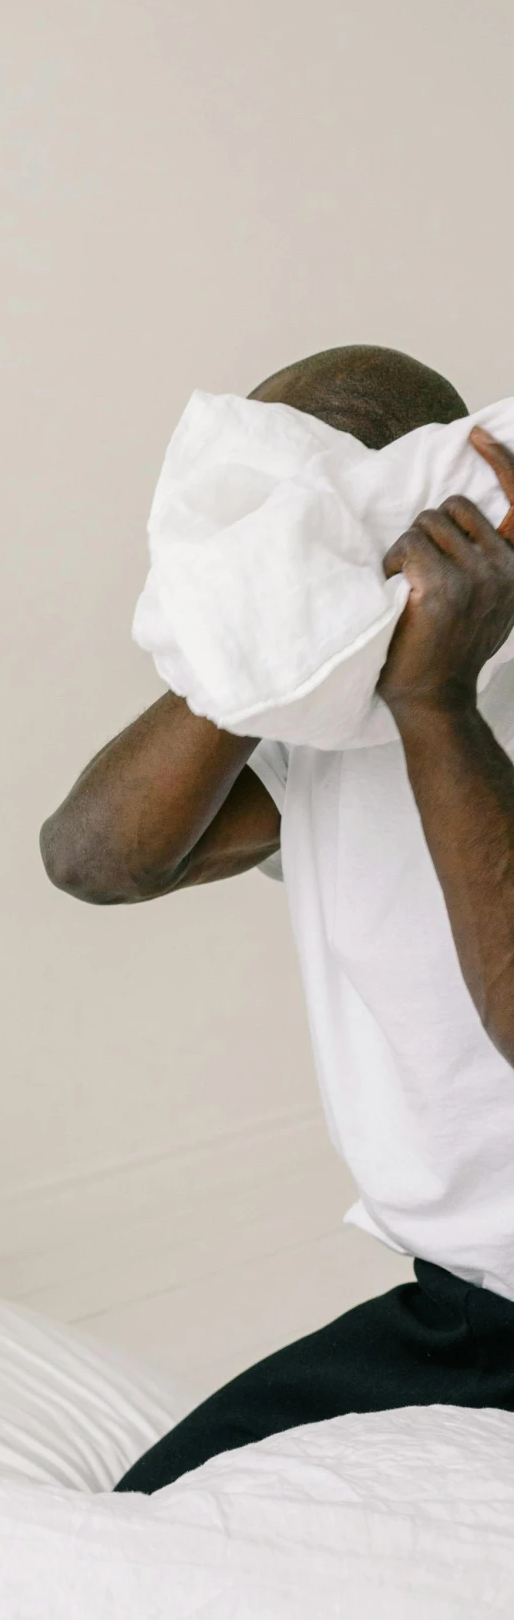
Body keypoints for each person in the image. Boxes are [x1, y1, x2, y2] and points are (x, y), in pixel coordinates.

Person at [42, 344, 514, 1492]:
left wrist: (437, 700)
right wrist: (264, 637)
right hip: (467, 1312)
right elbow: (93, 859)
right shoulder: (327, 726)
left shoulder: (446, 694)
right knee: (138, 1529)